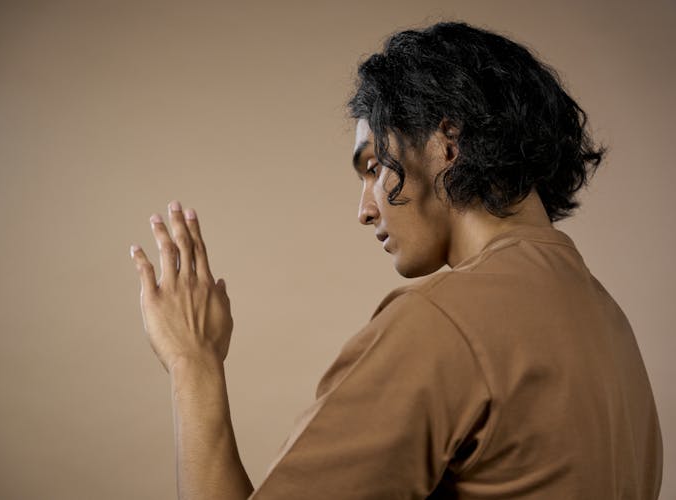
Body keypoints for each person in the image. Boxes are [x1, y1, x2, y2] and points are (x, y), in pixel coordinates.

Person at [129, 21, 663, 499]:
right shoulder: (609, 325)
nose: (365, 210)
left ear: (446, 144)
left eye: (371, 165)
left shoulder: (441, 324)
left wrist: (192, 365)